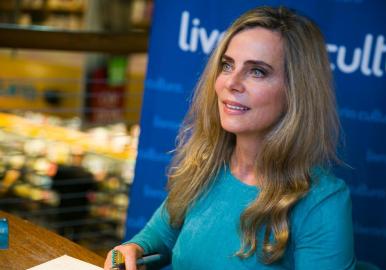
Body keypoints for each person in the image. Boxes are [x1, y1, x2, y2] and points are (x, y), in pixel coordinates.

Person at [104, 6, 356, 270]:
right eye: (227, 65)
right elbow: (155, 238)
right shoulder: (206, 164)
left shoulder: (322, 203)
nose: (231, 82)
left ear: (296, 92)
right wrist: (124, 254)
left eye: (257, 71)